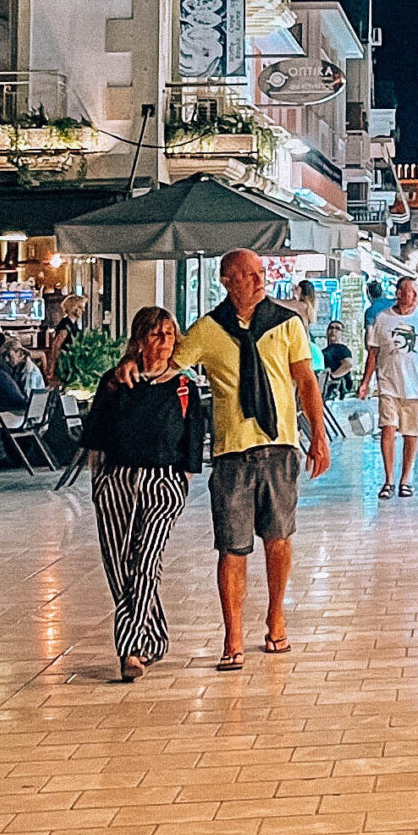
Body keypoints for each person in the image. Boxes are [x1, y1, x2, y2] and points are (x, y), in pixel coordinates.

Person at [162, 249, 330, 669]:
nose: (258, 281)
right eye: (249, 275)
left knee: (278, 538)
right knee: (231, 547)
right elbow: (168, 367)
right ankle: (232, 633)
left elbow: (305, 381)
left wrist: (319, 436)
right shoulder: (208, 329)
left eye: (260, 274)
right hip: (231, 451)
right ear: (227, 280)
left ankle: (276, 616)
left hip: (279, 445)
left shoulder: (287, 323)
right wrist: (129, 367)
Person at [81, 307, 209, 682]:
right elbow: (97, 437)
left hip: (163, 482)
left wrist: (183, 478)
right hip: (117, 481)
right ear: (140, 340)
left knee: (147, 560)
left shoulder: (184, 386)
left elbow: (192, 437)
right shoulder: (116, 382)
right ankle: (155, 635)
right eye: (157, 334)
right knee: (120, 566)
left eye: (170, 334)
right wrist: (98, 483)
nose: (165, 341)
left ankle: (131, 649)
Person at [360, 276, 418, 499]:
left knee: (411, 433)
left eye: (416, 293)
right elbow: (373, 353)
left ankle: (405, 479)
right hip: (388, 383)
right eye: (410, 292)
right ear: (399, 293)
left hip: (415, 386)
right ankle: (388, 480)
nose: (415, 297)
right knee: (388, 428)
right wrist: (365, 382)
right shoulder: (382, 319)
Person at [320, 321, 356, 397]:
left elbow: (348, 364)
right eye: (331, 328)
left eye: (337, 329)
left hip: (337, 391)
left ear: (341, 333)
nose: (333, 331)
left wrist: (333, 376)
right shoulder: (324, 351)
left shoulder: (341, 349)